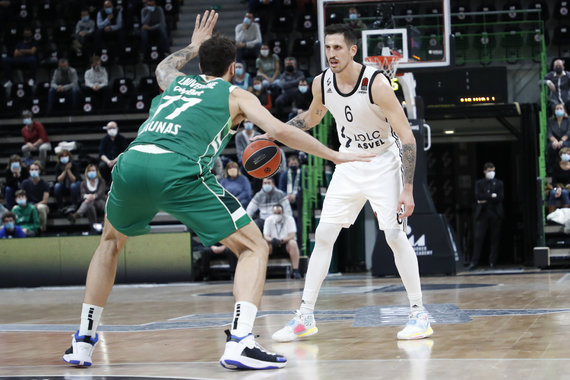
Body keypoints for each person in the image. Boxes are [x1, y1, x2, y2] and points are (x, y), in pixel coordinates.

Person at [60, 10, 371, 371]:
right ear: (233, 67)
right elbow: (281, 132)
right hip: (177, 168)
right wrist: (334, 154)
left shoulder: (173, 81)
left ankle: (83, 340)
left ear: (199, 62)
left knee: (110, 243)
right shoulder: (237, 95)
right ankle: (240, 342)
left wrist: (192, 46)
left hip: (132, 162)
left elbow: (163, 66)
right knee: (254, 246)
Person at [271, 24, 433, 343]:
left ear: (352, 50)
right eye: (328, 48)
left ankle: (419, 314)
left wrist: (408, 187)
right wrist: (275, 131)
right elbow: (312, 117)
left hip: (383, 162)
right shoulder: (322, 82)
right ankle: (304, 316)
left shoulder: (377, 84)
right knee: (324, 234)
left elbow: (408, 137)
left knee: (394, 235)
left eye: (337, 48)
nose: (331, 54)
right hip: (347, 162)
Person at [468, 162, 504, 270]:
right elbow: (478, 196)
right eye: (489, 171)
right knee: (478, 238)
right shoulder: (479, 183)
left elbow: (500, 198)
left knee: (494, 239)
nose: (491, 173)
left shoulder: (499, 183)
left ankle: (493, 262)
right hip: (482, 214)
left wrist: (486, 199)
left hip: (495, 214)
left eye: (493, 170)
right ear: (484, 171)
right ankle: (474, 262)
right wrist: (491, 196)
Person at [263, 204, 301, 279]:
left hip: (285, 243)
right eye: (275, 213)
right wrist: (272, 240)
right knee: (264, 244)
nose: (277, 215)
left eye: (279, 213)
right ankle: (262, 271)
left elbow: (292, 235)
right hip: (273, 244)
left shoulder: (289, 219)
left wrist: (283, 240)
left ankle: (296, 270)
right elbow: (265, 236)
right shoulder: (268, 220)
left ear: (283, 212)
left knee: (293, 243)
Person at [68, 164, 107, 233]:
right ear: (87, 172)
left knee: (89, 202)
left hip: (100, 202)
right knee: (90, 205)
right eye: (90, 171)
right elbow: (82, 194)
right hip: (89, 203)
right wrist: (87, 196)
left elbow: (100, 193)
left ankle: (76, 215)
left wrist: (93, 196)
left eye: (93, 170)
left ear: (97, 171)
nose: (91, 172)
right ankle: (94, 226)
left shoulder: (101, 181)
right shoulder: (84, 183)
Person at [21, 161, 50, 233]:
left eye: (36, 169)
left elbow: (45, 200)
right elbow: (21, 196)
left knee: (40, 208)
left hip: (41, 205)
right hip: (27, 205)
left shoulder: (45, 184)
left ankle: (42, 230)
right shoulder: (25, 183)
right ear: (29, 171)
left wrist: (34, 206)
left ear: (39, 171)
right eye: (32, 169)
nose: (34, 171)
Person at [98, 121, 129, 185]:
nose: (112, 130)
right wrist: (108, 161)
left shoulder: (122, 139)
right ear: (107, 129)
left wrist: (114, 161)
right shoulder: (104, 140)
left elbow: (124, 152)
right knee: (102, 166)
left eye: (113, 128)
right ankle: (106, 184)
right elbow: (101, 154)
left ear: (117, 128)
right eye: (110, 128)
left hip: (118, 160)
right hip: (107, 161)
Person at [547, 103, 570, 174]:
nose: (559, 110)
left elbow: (569, 132)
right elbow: (549, 132)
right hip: (555, 141)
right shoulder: (550, 121)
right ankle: (551, 169)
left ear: (564, 110)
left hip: (566, 140)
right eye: (557, 109)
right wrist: (555, 141)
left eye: (561, 108)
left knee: (564, 147)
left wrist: (562, 141)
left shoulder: (568, 120)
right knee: (551, 147)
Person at [547, 148, 570, 214]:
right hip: (557, 186)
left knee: (565, 193)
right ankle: (551, 216)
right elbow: (553, 180)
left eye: (568, 154)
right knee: (552, 193)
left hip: (568, 187)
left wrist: (562, 188)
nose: (567, 155)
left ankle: (564, 216)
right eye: (565, 154)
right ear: (561, 155)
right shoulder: (556, 166)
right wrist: (558, 188)